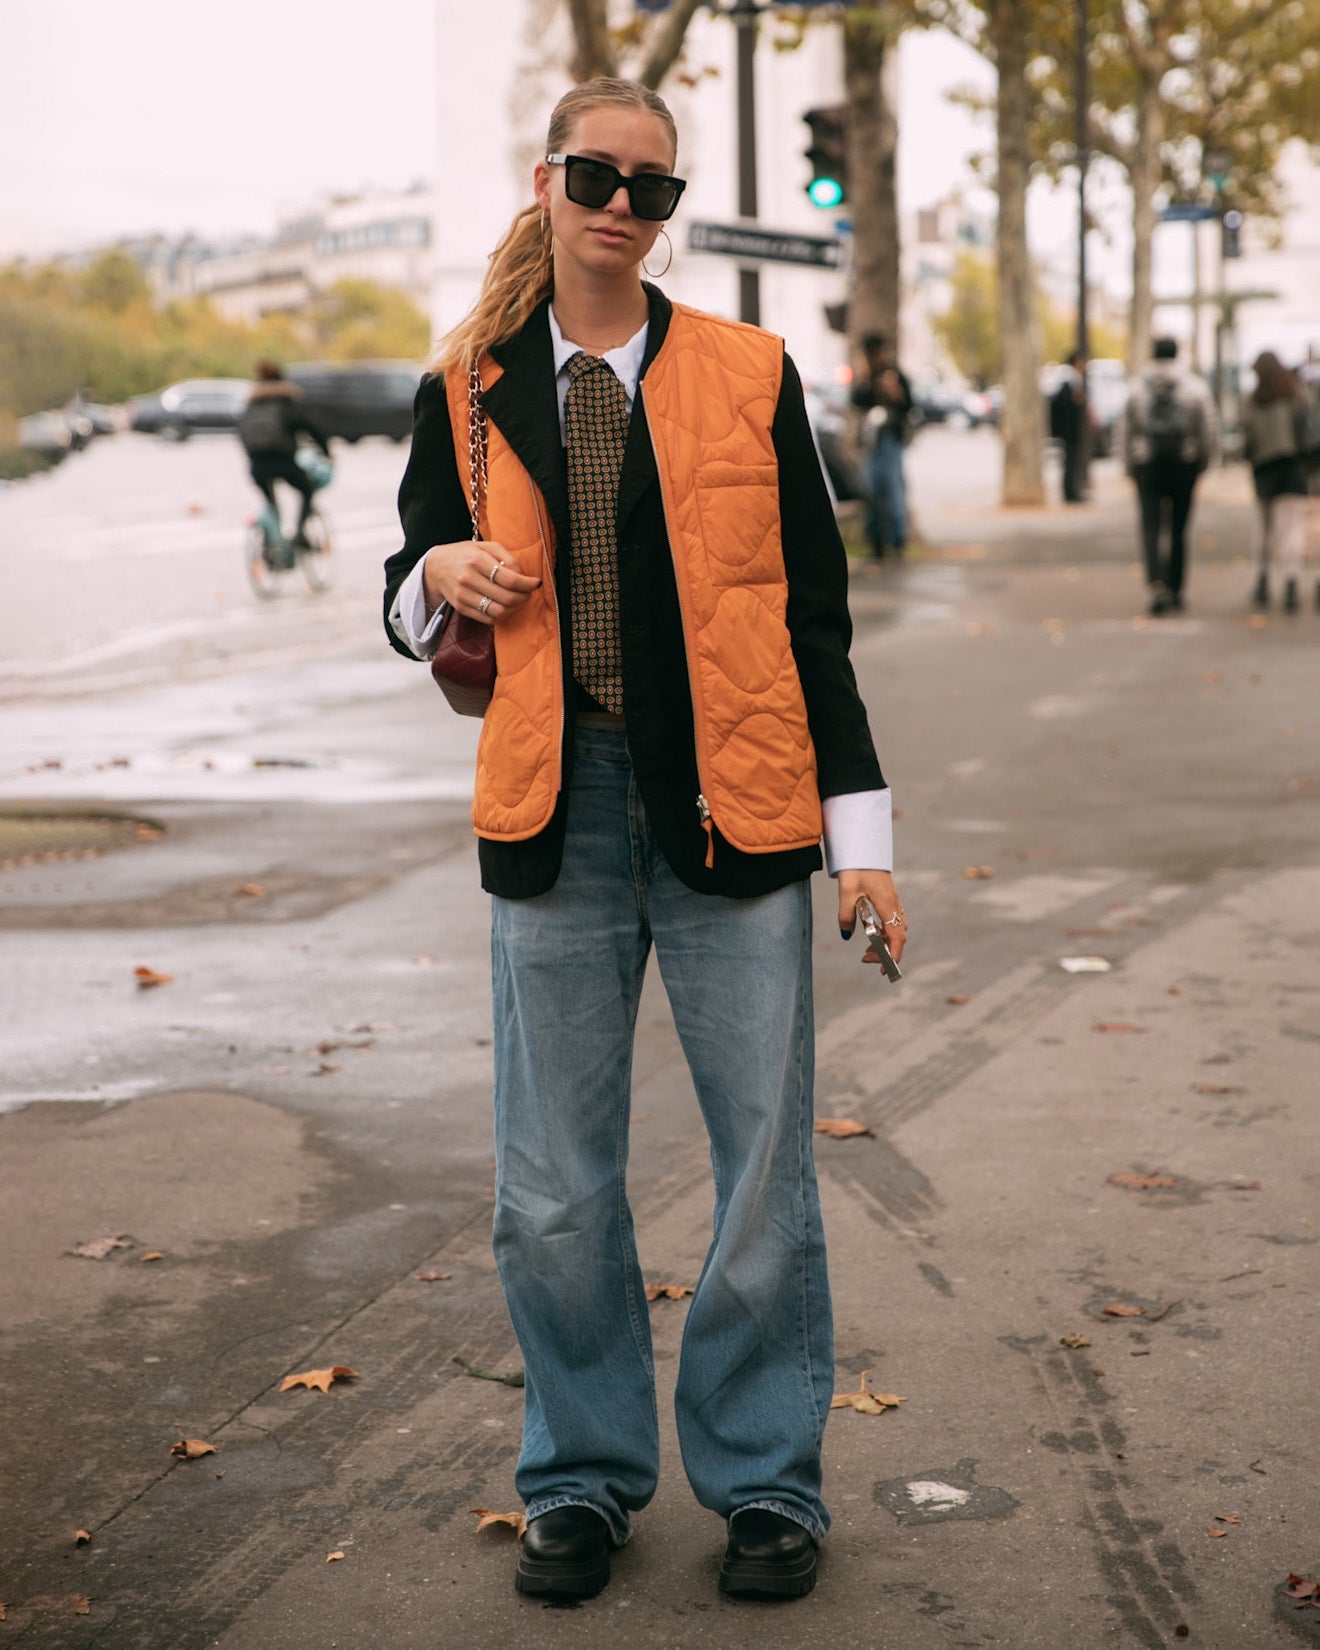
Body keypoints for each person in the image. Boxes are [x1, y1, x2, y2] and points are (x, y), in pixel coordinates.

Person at [382, 76, 904, 1604]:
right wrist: (442, 574)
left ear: (667, 214)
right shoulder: (469, 384)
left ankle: (764, 1485)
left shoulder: (751, 372)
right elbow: (404, 582)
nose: (623, 206)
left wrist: (859, 839)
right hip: (557, 811)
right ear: (547, 183)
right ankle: (583, 1478)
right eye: (597, 177)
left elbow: (816, 616)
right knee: (548, 1185)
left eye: (651, 189)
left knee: (762, 1171)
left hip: (735, 807)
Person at [1118, 337, 1218, 615]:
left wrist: (1128, 466)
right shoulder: (1194, 386)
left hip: (1146, 464)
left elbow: (1124, 429)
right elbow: (1207, 427)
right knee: (1178, 528)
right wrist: (1203, 462)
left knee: (1150, 526)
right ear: (1177, 354)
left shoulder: (1137, 386)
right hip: (1183, 465)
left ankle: (1156, 585)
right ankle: (1176, 587)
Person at [1241, 351, 1313, 612]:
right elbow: (1306, 430)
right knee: (1291, 526)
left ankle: (1262, 579)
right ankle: (1291, 580)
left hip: (1264, 467)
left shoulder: (1253, 400)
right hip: (1292, 465)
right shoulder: (1296, 395)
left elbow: (1246, 434)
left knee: (1263, 526)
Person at [236, 360, 330, 550]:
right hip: (284, 461)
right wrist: (326, 451)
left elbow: (240, 432)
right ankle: (300, 533)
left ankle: (271, 545)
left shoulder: (251, 403)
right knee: (306, 490)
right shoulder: (286, 401)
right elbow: (309, 427)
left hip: (257, 465)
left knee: (271, 504)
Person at [851, 332, 913, 558]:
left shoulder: (895, 376)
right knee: (871, 490)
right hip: (871, 441)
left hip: (890, 439)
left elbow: (908, 405)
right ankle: (875, 540)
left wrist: (895, 392)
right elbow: (856, 401)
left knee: (893, 488)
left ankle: (897, 539)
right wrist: (865, 379)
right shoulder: (867, 379)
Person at [1049, 351, 1089, 504]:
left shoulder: (1070, 379)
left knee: (1070, 462)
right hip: (1070, 430)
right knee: (1070, 462)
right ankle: (1070, 492)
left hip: (1069, 430)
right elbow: (1069, 406)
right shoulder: (1071, 381)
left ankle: (1071, 491)